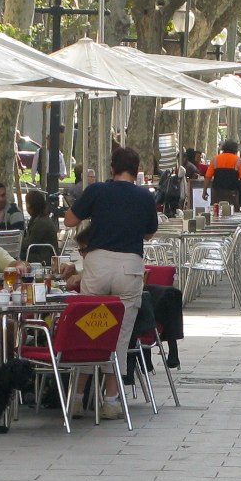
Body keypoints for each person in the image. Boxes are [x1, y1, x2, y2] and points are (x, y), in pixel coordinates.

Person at [64, 148, 161, 418]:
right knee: (120, 333)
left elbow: (70, 220)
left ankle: (77, 397)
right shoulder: (144, 196)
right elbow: (150, 233)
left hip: (98, 262)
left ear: (111, 167)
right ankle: (111, 400)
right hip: (129, 265)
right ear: (136, 168)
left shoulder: (97, 190)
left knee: (89, 329)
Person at [208, 139, 241, 211]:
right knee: (233, 209)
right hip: (232, 191)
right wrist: (238, 184)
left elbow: (208, 177)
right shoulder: (238, 160)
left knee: (216, 210)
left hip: (217, 191)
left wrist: (204, 191)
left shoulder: (215, 159)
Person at [19, 190, 60, 262]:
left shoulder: (41, 223)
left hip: (44, 258)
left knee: (14, 255)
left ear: (30, 206)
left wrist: (16, 242)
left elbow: (29, 244)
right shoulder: (41, 218)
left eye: (27, 203)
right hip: (43, 253)